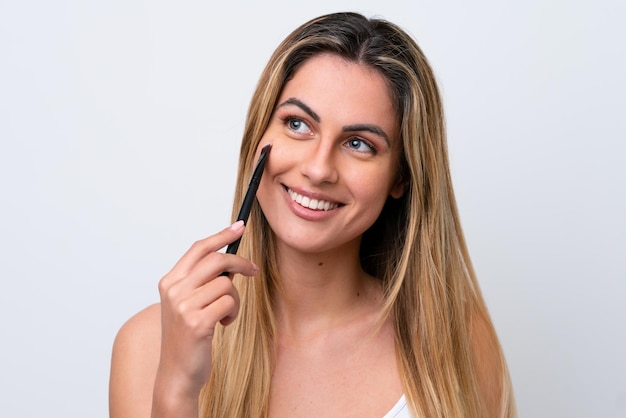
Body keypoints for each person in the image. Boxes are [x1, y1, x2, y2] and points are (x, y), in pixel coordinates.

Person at [109, 11, 516, 418]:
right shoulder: (149, 346)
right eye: (298, 124)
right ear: (259, 135)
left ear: (401, 177)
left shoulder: (455, 342)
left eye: (359, 143)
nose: (319, 168)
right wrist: (178, 390)